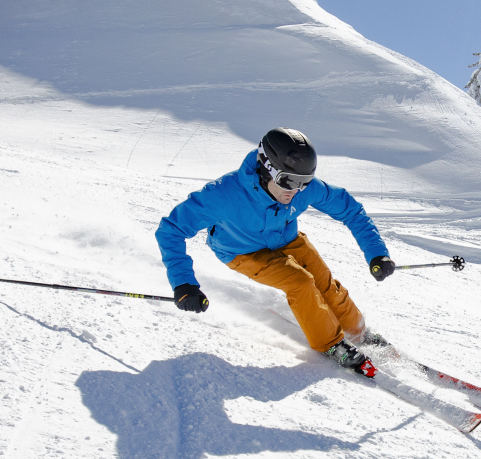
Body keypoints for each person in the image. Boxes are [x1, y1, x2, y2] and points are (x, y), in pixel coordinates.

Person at [156, 127, 396, 374]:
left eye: (304, 182)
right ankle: (331, 345)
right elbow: (171, 230)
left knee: (323, 282)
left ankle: (358, 332)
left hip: (288, 239)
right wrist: (184, 284)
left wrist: (376, 252)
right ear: (267, 168)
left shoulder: (302, 188)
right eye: (289, 181)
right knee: (301, 282)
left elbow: (350, 210)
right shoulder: (222, 195)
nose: (295, 191)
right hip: (243, 252)